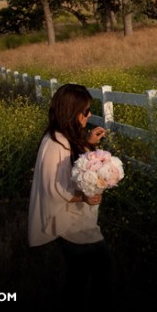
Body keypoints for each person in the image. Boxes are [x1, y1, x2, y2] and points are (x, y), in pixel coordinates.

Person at [28, 83, 117, 296]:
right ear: (73, 113)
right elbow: (54, 188)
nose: (89, 115)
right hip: (69, 223)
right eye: (86, 112)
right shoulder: (56, 144)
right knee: (102, 270)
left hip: (75, 221)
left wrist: (87, 142)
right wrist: (84, 198)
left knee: (80, 276)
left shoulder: (63, 137)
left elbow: (71, 164)